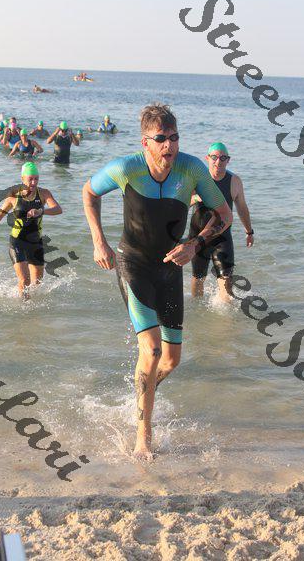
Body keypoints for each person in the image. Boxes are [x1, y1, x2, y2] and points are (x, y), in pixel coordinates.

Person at [82, 103, 232, 461]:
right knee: (150, 350)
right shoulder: (127, 168)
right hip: (133, 264)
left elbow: (224, 215)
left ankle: (142, 393)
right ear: (145, 142)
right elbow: (88, 192)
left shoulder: (192, 169)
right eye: (161, 138)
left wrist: (194, 244)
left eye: (174, 137)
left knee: (171, 360)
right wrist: (98, 241)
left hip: (169, 267)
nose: (170, 145)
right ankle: (143, 437)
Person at [0, 162, 62, 300]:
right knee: (25, 280)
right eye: (30, 179)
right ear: (22, 179)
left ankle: (30, 304)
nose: (34, 182)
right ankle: (24, 307)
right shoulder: (13, 196)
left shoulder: (44, 193)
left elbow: (58, 209)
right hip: (17, 241)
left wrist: (41, 211)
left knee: (37, 282)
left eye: (36, 178)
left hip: (35, 242)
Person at [189, 142, 254, 303]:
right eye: (214, 157)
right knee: (198, 278)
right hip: (198, 237)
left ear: (228, 160)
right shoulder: (197, 179)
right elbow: (182, 202)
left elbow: (242, 208)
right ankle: (198, 313)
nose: (218, 162)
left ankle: (227, 317)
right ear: (207, 158)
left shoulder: (234, 181)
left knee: (227, 283)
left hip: (222, 236)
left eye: (223, 158)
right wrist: (196, 197)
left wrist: (249, 231)